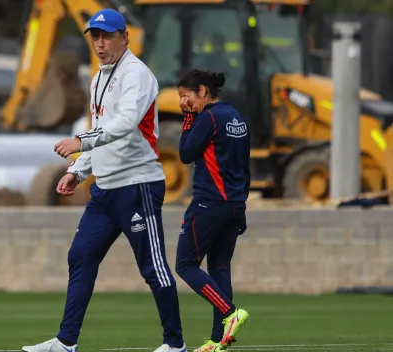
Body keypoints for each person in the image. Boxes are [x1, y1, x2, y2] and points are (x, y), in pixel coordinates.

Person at [21, 8, 186, 352]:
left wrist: (79, 143)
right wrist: (77, 171)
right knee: (80, 256)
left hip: (138, 185)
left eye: (107, 36)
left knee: (152, 267)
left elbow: (125, 124)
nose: (99, 43)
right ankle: (65, 343)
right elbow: (102, 134)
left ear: (124, 38)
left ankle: (175, 345)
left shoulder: (137, 75)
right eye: (95, 36)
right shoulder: (98, 78)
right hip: (106, 189)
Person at [174, 69, 251, 352]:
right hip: (233, 205)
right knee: (219, 269)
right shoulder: (237, 117)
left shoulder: (207, 118)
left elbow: (185, 154)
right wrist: (240, 207)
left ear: (203, 91)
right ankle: (219, 340)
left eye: (186, 97)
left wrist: (188, 118)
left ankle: (230, 313)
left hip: (209, 204)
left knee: (185, 265)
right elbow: (245, 167)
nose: (184, 103)